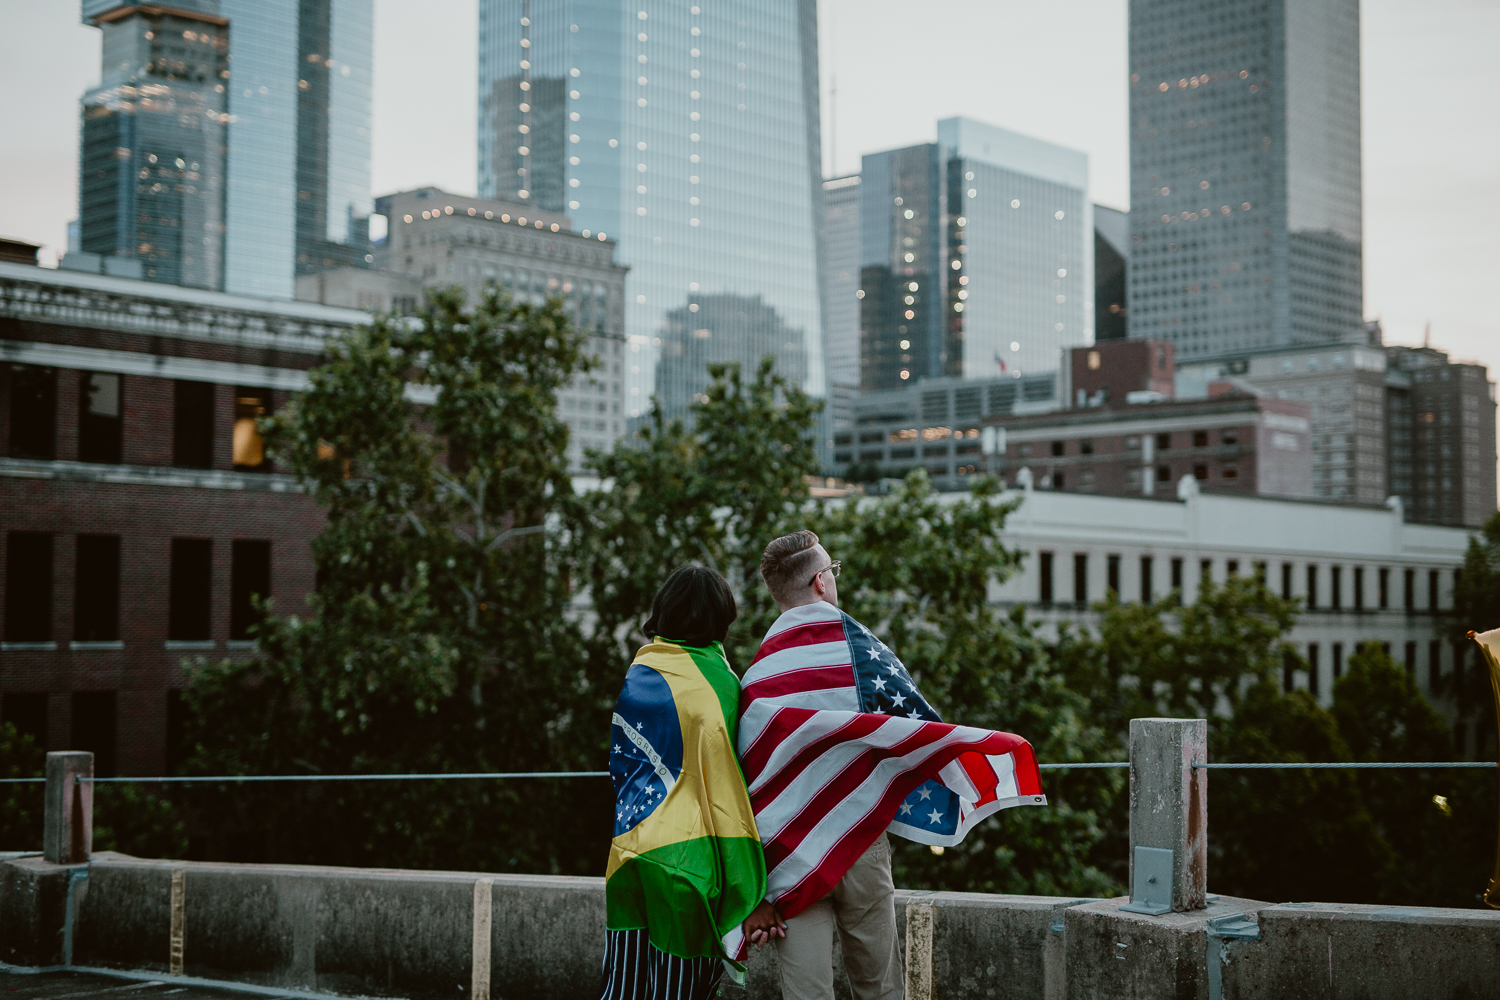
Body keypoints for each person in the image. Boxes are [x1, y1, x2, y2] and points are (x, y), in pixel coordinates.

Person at [740, 531, 1046, 1000]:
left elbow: (748, 776)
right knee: (880, 988)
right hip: (860, 840)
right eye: (834, 572)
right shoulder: (859, 648)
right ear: (821, 582)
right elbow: (916, 725)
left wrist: (754, 889)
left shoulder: (757, 676)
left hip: (786, 856)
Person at [599, 565, 786, 1000]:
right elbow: (727, 796)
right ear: (721, 620)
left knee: (622, 989)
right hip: (686, 865)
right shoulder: (718, 685)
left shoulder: (641, 670)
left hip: (629, 852)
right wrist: (752, 895)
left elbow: (622, 766)